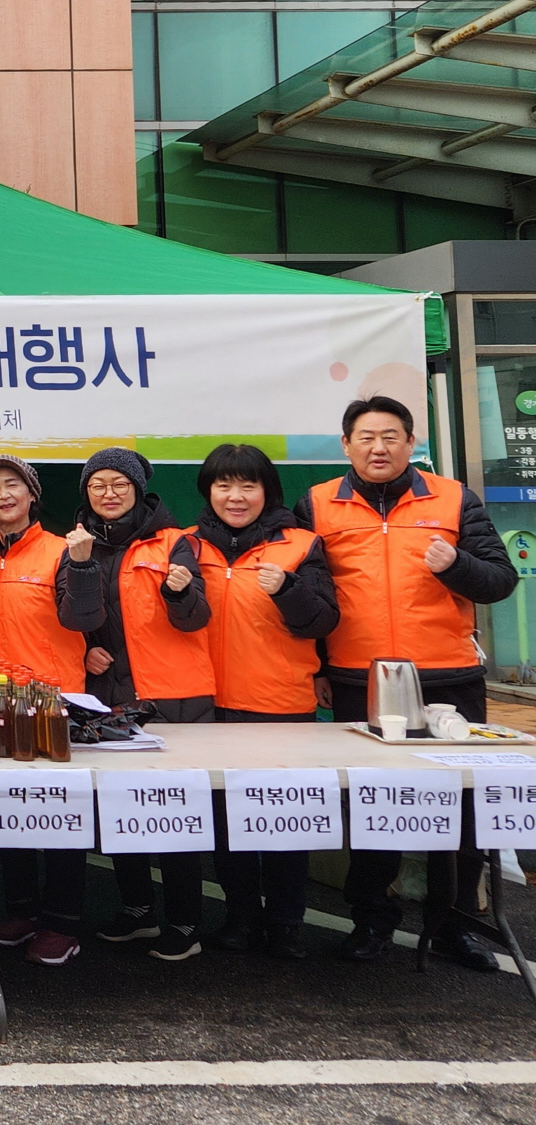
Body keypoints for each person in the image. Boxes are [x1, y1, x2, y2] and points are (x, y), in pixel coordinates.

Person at [296, 396, 517, 970]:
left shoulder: (452, 497)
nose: (378, 447)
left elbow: (499, 580)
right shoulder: (317, 504)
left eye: (390, 436)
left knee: (462, 809)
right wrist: (318, 668)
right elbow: (307, 598)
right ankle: (370, 921)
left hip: (448, 674)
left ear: (411, 442)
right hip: (358, 677)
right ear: (346, 445)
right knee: (375, 808)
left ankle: (451, 925)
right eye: (366, 437)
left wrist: (456, 566)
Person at [60, 447, 214, 962]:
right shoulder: (77, 545)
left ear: (138, 488)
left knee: (173, 811)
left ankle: (186, 921)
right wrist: (88, 649)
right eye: (97, 484)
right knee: (120, 809)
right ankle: (138, 909)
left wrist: (180, 593)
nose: (108, 493)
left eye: (118, 483)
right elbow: (78, 619)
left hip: (173, 697)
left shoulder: (176, 543)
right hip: (108, 698)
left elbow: (195, 619)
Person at [192, 443, 338, 960]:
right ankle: (239, 915)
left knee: (282, 822)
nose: (236, 496)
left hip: (280, 704)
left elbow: (322, 621)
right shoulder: (188, 545)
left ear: (266, 491)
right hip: (211, 707)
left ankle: (286, 922)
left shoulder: (301, 543)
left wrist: (290, 589)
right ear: (208, 492)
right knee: (227, 824)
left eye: (247, 485)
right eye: (223, 485)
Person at [0, 455, 92, 967]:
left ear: (32, 493)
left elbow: (86, 615)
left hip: (50, 699)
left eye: (12, 484)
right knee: (6, 811)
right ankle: (19, 912)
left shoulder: (64, 550)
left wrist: (83, 566)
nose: (3, 495)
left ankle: (63, 922)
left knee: (58, 813)